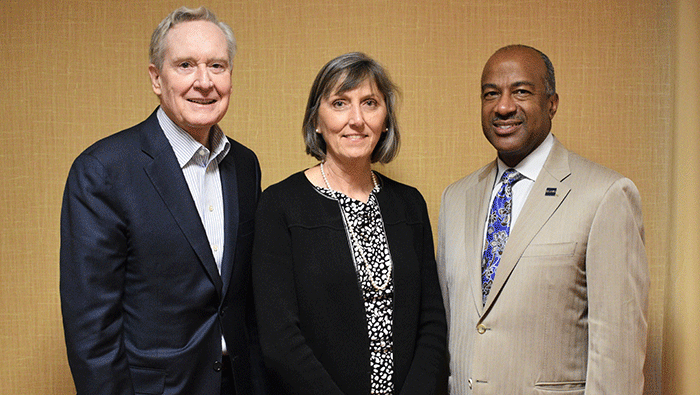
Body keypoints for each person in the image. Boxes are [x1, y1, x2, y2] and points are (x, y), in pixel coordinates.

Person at [60, 7, 266, 394]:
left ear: (231, 77)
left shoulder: (245, 165)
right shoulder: (104, 170)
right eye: (185, 65)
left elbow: (243, 299)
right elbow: (91, 329)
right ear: (156, 77)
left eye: (217, 66)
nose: (204, 82)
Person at [437, 44, 649, 394]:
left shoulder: (606, 195)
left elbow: (618, 356)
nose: (503, 107)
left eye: (521, 91)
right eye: (491, 94)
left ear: (552, 103)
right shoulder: (455, 198)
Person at [252, 52, 447, 395]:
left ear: (385, 119)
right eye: (340, 103)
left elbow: (431, 323)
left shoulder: (409, 204)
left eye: (370, 103)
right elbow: (279, 339)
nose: (356, 119)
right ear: (316, 120)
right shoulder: (280, 205)